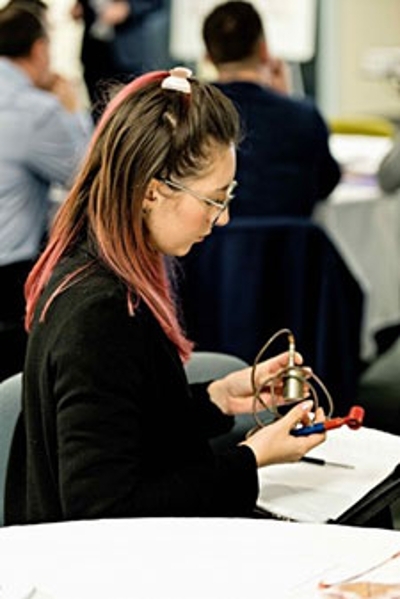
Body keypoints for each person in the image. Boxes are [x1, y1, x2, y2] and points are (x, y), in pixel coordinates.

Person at [5, 66, 326, 525]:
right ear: (153, 192)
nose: (223, 219)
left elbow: (123, 425)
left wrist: (216, 399)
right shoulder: (100, 316)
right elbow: (106, 511)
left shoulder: (92, 269)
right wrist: (252, 458)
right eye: (215, 199)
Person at [0, 3, 93, 382]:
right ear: (39, 50)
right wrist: (72, 109)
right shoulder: (35, 111)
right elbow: (88, 174)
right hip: (8, 278)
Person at [202, 1, 341, 218]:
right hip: (291, 249)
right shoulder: (304, 116)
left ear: (208, 56)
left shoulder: (193, 113)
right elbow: (326, 184)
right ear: (264, 50)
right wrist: (288, 100)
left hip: (213, 248)